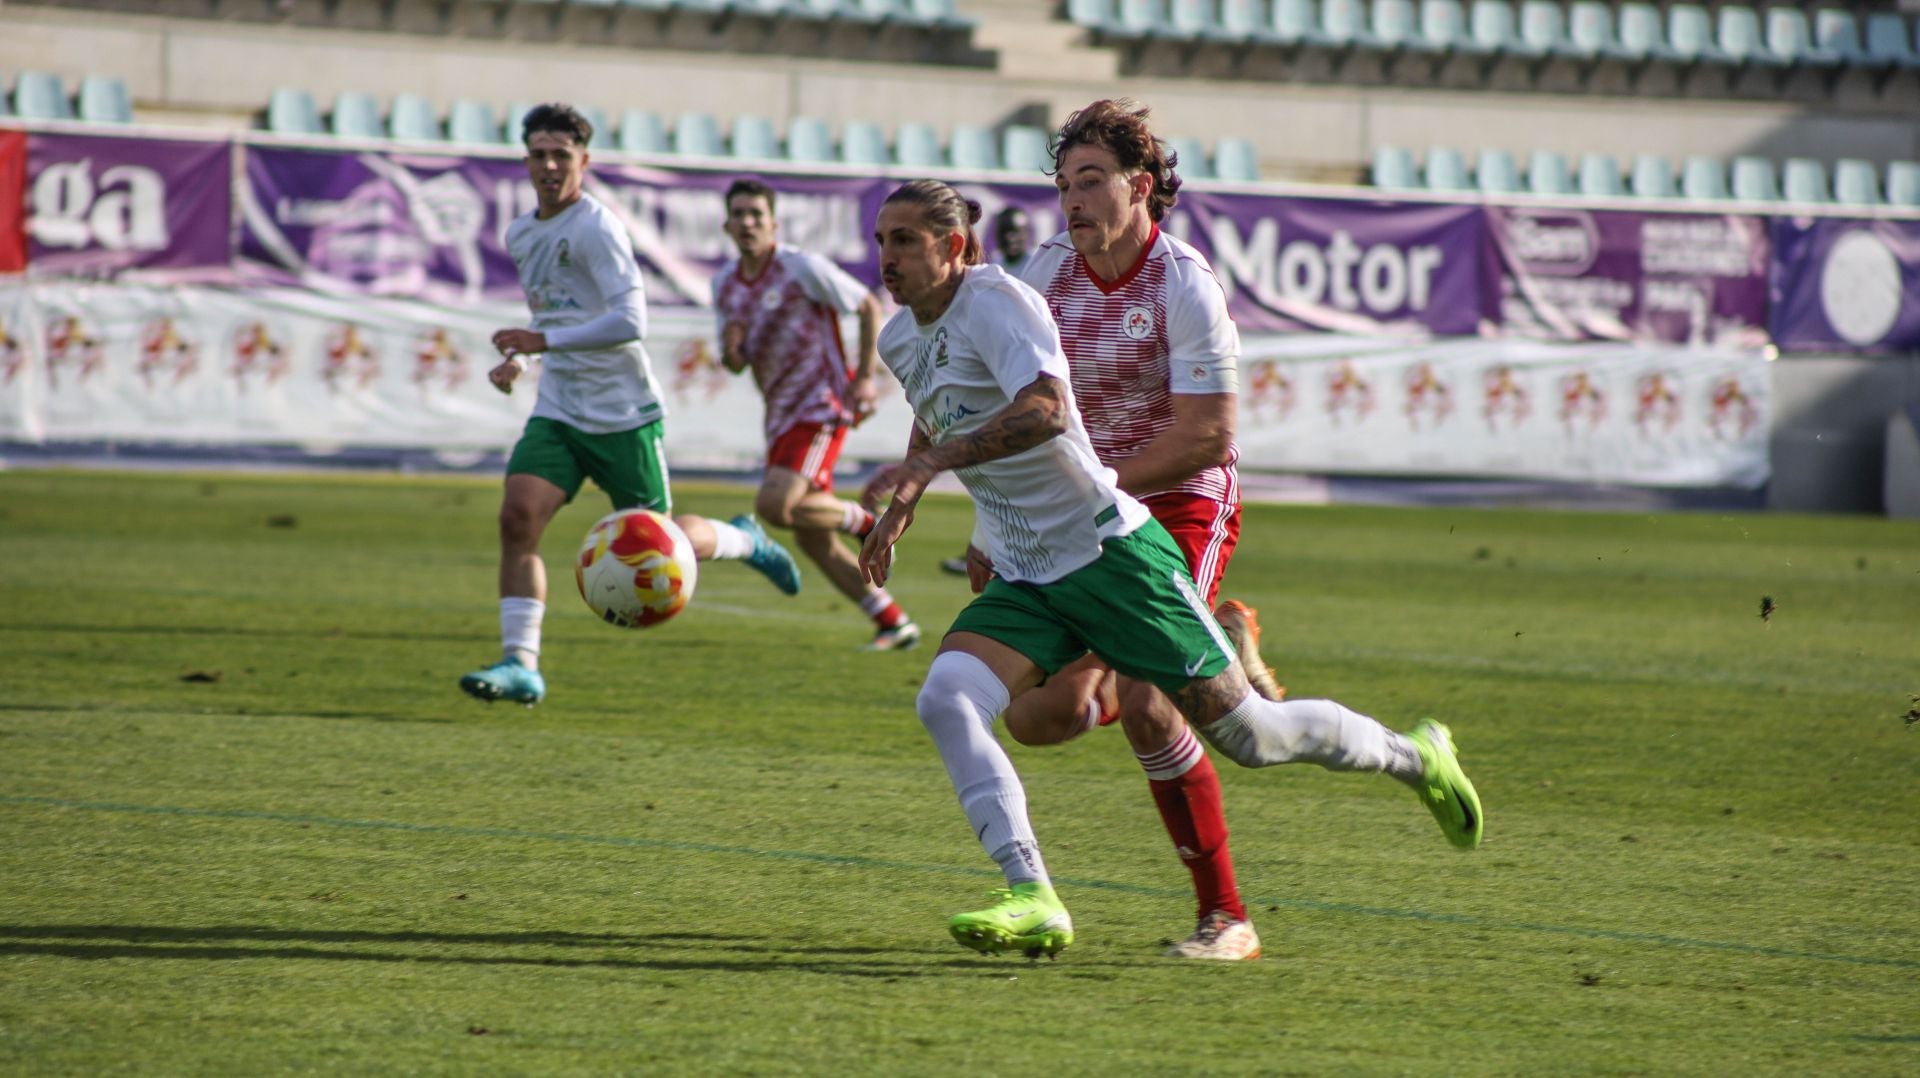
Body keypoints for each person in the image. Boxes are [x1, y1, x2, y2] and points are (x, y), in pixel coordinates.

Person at [859, 178, 1482, 961]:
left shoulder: (998, 302)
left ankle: (1415, 754)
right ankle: (1032, 893)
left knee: (1253, 736)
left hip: (1109, 555)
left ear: (954, 247)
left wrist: (929, 470)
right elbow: (935, 405)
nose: (888, 258)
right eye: (882, 241)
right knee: (948, 698)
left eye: (906, 241)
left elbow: (1048, 407)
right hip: (1028, 571)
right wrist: (904, 503)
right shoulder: (899, 339)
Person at [950, 98, 1281, 961]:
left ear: (1140, 187)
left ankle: (1226, 918)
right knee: (1039, 718)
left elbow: (1209, 435)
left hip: (1178, 501)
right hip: (1078, 507)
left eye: (1091, 181)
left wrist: (1092, 488)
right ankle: (1211, 636)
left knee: (1145, 705)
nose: (1074, 200)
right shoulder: (1046, 276)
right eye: (1064, 185)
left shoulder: (1184, 282)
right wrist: (999, 518)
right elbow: (1007, 403)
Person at [460, 104, 803, 707]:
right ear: (525, 161)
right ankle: (521, 664)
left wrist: (542, 341)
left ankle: (744, 538)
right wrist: (523, 360)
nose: (548, 165)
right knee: (517, 518)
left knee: (663, 542)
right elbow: (554, 316)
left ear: (583, 162)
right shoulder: (521, 233)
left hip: (622, 416)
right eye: (538, 154)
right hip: (561, 411)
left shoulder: (597, 228)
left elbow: (630, 320)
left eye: (560, 155)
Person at [713, 179, 919, 651]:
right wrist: (730, 352)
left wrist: (864, 378)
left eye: (756, 215)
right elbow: (736, 361)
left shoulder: (799, 267)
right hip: (781, 415)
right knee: (812, 538)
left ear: (773, 224)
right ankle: (892, 621)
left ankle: (866, 522)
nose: (747, 223)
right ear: (726, 224)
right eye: (739, 214)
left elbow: (867, 305)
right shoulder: (725, 284)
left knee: (773, 507)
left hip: (820, 405)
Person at [940, 204, 1035, 579]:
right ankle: (986, 551)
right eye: (1007, 230)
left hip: (1027, 377)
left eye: (1018, 230)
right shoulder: (989, 270)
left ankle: (993, 553)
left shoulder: (1038, 267)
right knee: (990, 469)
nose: (1012, 237)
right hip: (995, 378)